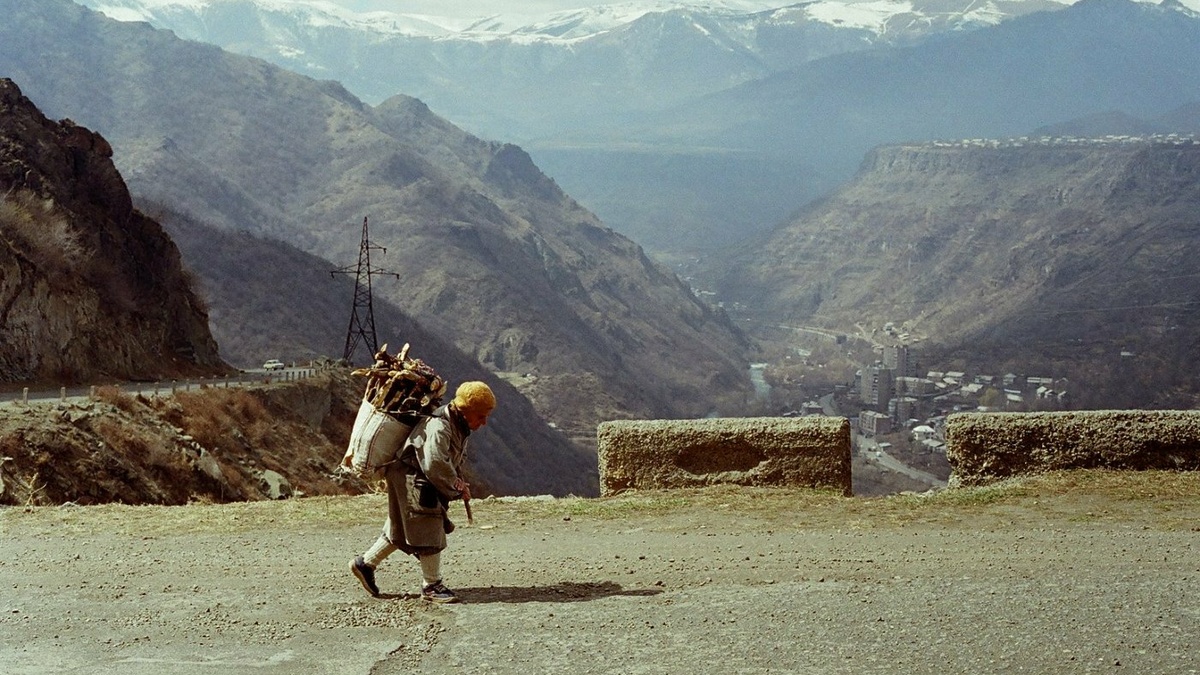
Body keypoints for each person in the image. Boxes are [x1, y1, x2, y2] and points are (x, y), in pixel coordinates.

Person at [348, 380, 496, 603]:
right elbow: (434, 463)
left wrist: (458, 482)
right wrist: (456, 486)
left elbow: (447, 460)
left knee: (401, 527)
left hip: (409, 475)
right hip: (412, 477)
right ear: (465, 411)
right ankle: (432, 586)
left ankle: (365, 564)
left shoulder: (457, 424)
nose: (484, 422)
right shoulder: (439, 427)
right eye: (480, 416)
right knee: (428, 525)